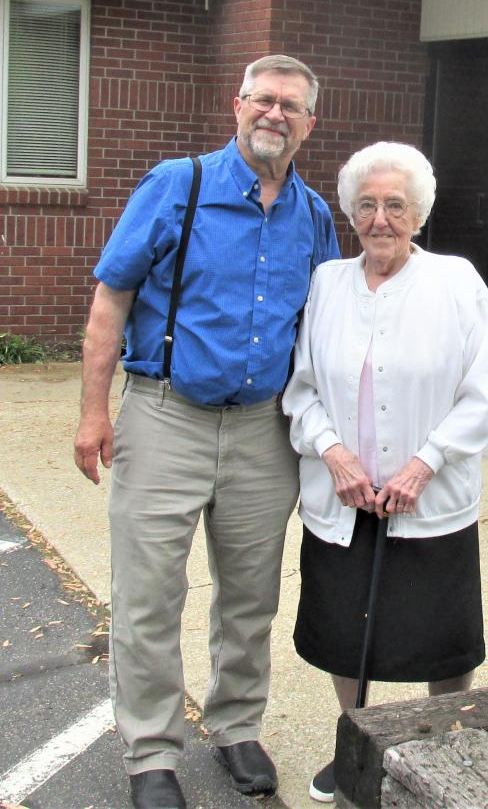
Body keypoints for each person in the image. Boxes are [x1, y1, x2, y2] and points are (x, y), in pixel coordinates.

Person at [73, 55, 340, 809]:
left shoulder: (315, 216)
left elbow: (329, 331)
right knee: (149, 594)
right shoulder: (176, 185)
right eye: (263, 100)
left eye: (291, 105)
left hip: (264, 430)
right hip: (165, 419)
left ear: (308, 124)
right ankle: (152, 749)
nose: (274, 115)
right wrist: (95, 411)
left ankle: (235, 725)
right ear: (238, 105)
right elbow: (109, 302)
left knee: (250, 596)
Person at [282, 141, 488, 803]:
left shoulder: (457, 282)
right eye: (369, 204)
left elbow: (479, 395)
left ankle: (444, 743)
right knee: (344, 632)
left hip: (427, 498)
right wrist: (333, 453)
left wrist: (421, 465)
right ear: (352, 212)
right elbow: (301, 388)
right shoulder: (327, 284)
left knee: (446, 636)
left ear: (418, 213)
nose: (381, 218)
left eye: (395, 205)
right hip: (343, 495)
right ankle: (357, 747)